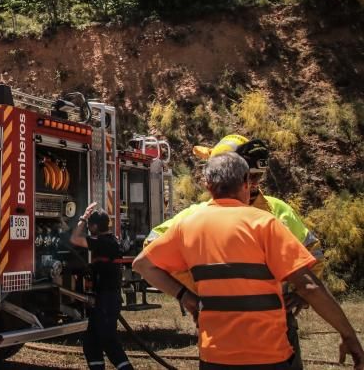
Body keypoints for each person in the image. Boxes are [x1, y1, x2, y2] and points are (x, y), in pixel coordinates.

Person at [134, 152, 364, 370]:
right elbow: (310, 286)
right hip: (269, 356)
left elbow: (142, 265)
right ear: (246, 182)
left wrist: (187, 298)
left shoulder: (187, 226)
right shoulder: (265, 224)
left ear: (207, 185)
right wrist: (348, 335)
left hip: (215, 357)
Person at [70, 202, 134, 370]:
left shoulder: (102, 243)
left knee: (109, 342)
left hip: (107, 300)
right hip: (106, 300)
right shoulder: (112, 241)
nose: (89, 228)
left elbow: (74, 238)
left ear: (96, 226)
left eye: (90, 225)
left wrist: (83, 217)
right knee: (91, 342)